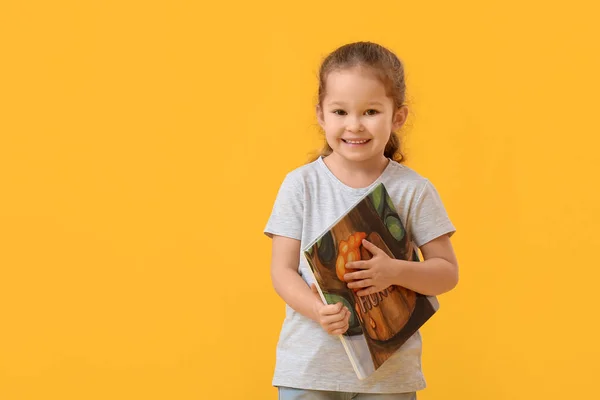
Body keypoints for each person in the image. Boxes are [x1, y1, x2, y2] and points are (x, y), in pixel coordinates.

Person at [263, 41, 459, 400]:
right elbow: (281, 271)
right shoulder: (301, 185)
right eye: (340, 112)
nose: (354, 125)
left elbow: (447, 273)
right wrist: (317, 310)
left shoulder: (414, 190)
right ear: (321, 114)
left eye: (370, 111)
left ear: (397, 117)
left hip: (389, 375)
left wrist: (395, 271)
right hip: (311, 369)